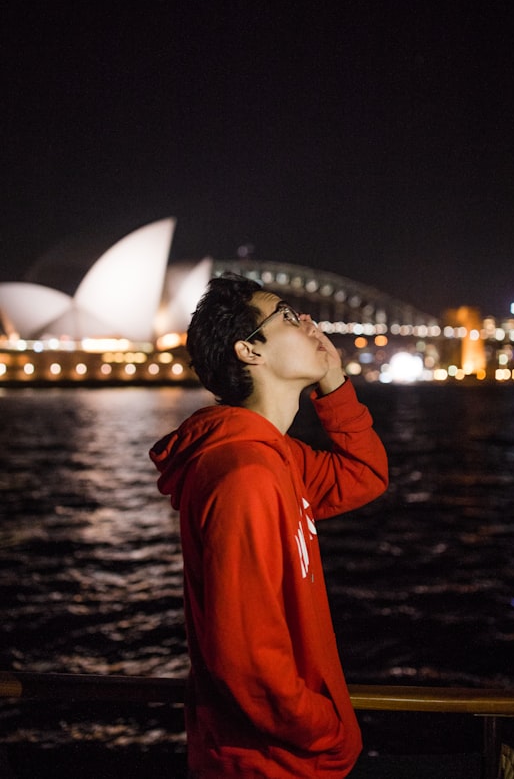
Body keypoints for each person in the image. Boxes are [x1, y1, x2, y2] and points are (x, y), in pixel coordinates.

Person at [149, 274, 388, 778]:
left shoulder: (277, 458)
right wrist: (328, 732)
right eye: (286, 315)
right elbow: (247, 662)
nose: (308, 323)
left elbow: (363, 476)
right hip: (273, 764)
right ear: (249, 351)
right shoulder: (244, 476)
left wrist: (334, 383)